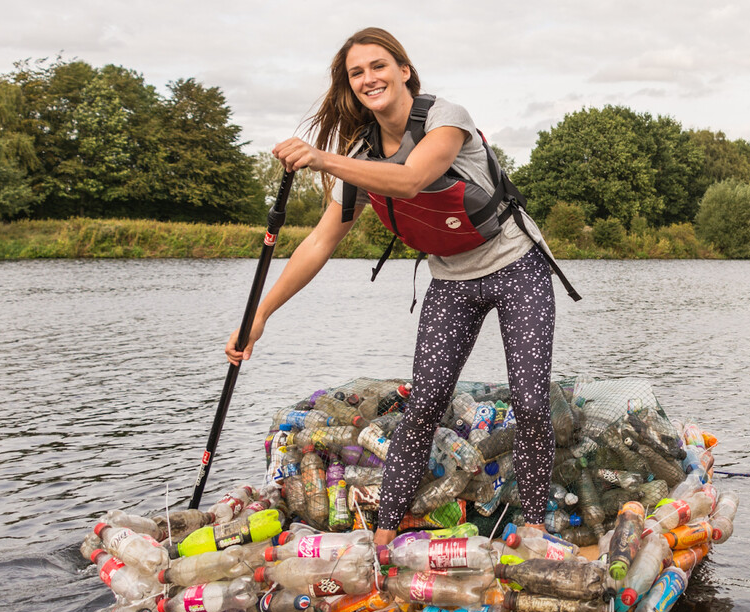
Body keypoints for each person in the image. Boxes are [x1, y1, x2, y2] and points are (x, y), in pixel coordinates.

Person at [224, 27, 577, 549]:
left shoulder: (445, 118)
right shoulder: (362, 153)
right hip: (451, 279)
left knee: (529, 401)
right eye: (356, 72)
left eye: (378, 66)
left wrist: (322, 158)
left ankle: (530, 525)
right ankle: (383, 538)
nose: (369, 78)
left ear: (404, 70)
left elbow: (411, 179)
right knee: (425, 401)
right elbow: (320, 242)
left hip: (516, 266)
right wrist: (261, 316)